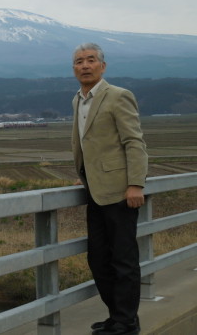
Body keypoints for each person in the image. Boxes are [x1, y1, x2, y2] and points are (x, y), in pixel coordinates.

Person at [71, 42, 148, 335]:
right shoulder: (78, 99)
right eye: (79, 61)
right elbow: (86, 143)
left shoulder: (118, 96)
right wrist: (84, 174)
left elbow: (134, 142)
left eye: (91, 60)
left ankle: (126, 322)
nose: (85, 65)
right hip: (95, 191)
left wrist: (135, 184)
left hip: (120, 192)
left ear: (103, 66)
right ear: (74, 69)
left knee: (123, 259)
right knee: (99, 259)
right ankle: (118, 316)